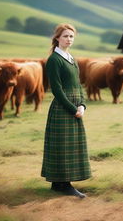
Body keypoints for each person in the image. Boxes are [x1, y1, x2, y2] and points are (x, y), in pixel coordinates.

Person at [41, 23, 91, 198]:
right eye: (65, 36)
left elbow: (78, 86)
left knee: (70, 146)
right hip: (63, 109)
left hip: (75, 108)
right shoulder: (54, 60)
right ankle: (63, 185)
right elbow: (57, 90)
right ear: (57, 38)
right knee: (61, 147)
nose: (69, 39)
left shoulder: (71, 58)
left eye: (71, 36)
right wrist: (72, 109)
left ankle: (58, 184)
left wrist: (82, 105)